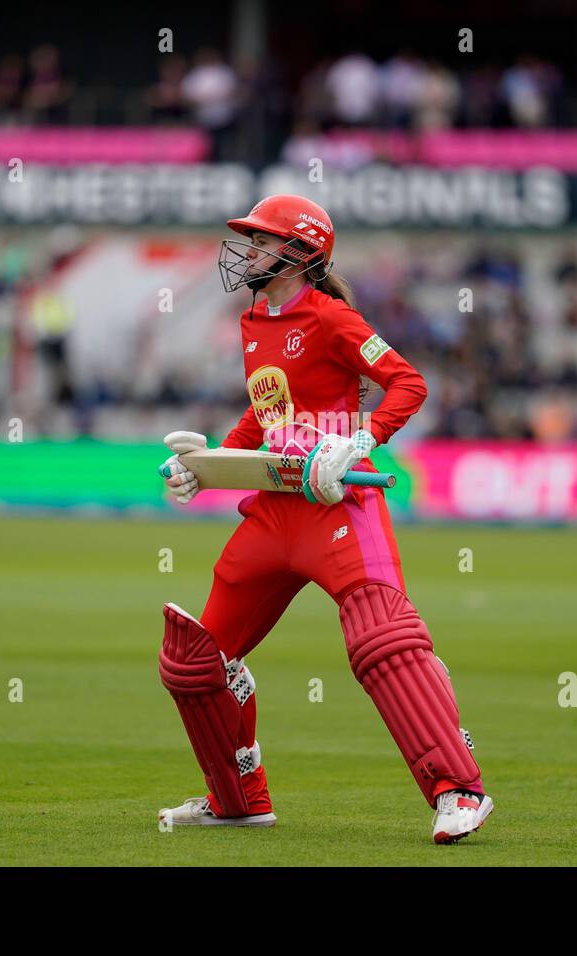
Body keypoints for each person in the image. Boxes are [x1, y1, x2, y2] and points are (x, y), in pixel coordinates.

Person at [156, 195, 493, 844]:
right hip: (276, 507)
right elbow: (267, 415)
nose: (248, 252)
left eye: (261, 241)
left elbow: (409, 384)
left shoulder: (333, 318)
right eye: (249, 240)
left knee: (381, 643)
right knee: (196, 662)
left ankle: (459, 789)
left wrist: (360, 438)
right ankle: (238, 800)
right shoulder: (256, 318)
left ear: (299, 251)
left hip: (338, 506)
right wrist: (209, 463)